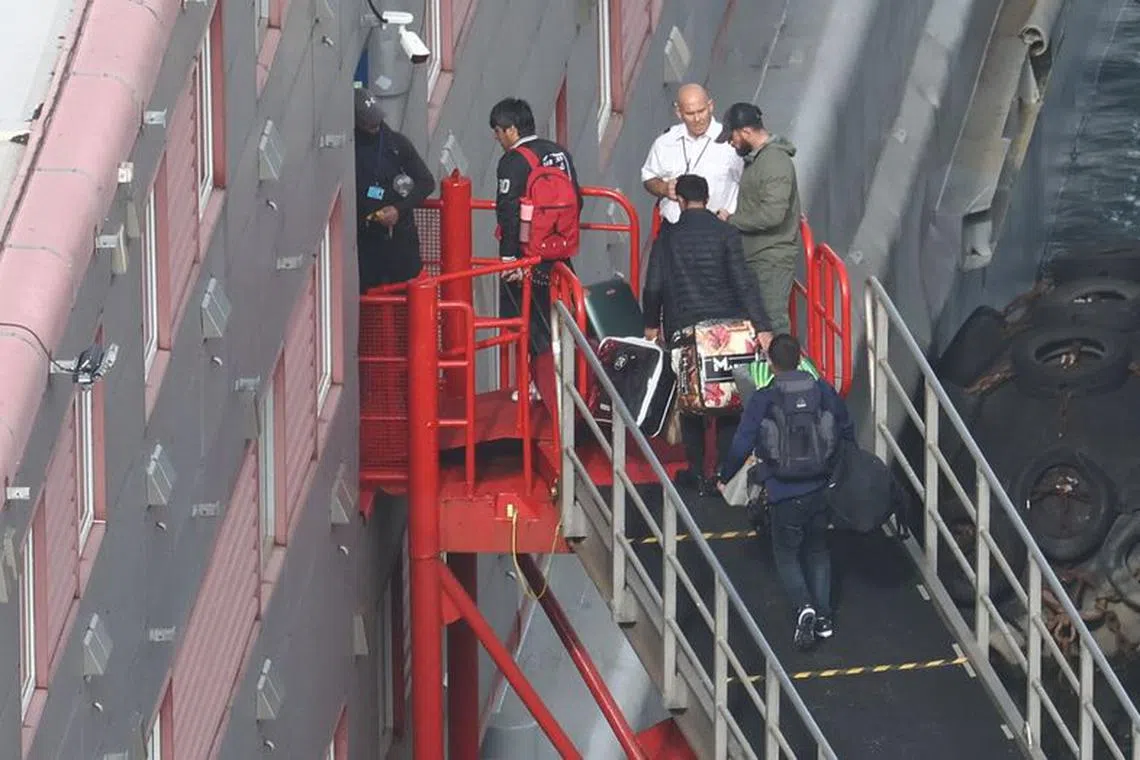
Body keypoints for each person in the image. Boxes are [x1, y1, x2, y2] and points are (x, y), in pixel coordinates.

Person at [718, 334, 854, 651]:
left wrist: (725, 476)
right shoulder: (821, 390)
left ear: (771, 363)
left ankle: (803, 605)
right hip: (821, 487)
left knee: (786, 553)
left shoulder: (765, 398)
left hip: (783, 491)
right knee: (819, 550)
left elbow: (742, 441)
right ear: (799, 359)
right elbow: (845, 426)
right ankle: (823, 619)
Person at [643, 174, 771, 495]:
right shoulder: (726, 233)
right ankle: (725, 476)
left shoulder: (667, 238)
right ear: (708, 197)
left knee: (691, 405)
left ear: (680, 201)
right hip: (727, 332)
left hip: (686, 332)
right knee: (729, 403)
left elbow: (653, 286)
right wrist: (763, 327)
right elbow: (744, 282)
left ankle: (699, 473)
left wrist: (650, 325)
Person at [490, 97, 583, 409]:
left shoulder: (514, 161)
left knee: (528, 321)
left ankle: (538, 383)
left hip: (528, 256)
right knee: (564, 315)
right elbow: (577, 198)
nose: (497, 138)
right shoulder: (560, 153)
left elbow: (508, 210)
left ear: (512, 130)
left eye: (498, 131)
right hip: (561, 251)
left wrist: (508, 258)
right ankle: (568, 380)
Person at [715, 103, 802, 334]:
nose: (730, 142)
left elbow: (773, 214)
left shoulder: (773, 162)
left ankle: (784, 370)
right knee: (762, 320)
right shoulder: (760, 160)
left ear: (745, 132)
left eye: (732, 136)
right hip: (760, 254)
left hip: (771, 257)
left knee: (772, 320)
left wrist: (732, 220)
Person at [354, 87, 436, 293]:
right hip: (366, 244)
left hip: (400, 241)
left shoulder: (397, 144)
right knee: (371, 299)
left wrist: (398, 210)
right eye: (368, 122)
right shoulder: (349, 148)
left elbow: (426, 182)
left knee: (404, 297)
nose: (375, 126)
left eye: (377, 120)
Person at [641, 84, 743, 230]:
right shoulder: (665, 142)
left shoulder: (731, 141)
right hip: (674, 230)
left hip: (718, 229)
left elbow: (749, 184)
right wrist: (664, 188)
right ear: (679, 112)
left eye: (701, 111)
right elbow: (648, 177)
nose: (697, 119)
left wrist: (735, 217)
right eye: (690, 113)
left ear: (711, 106)